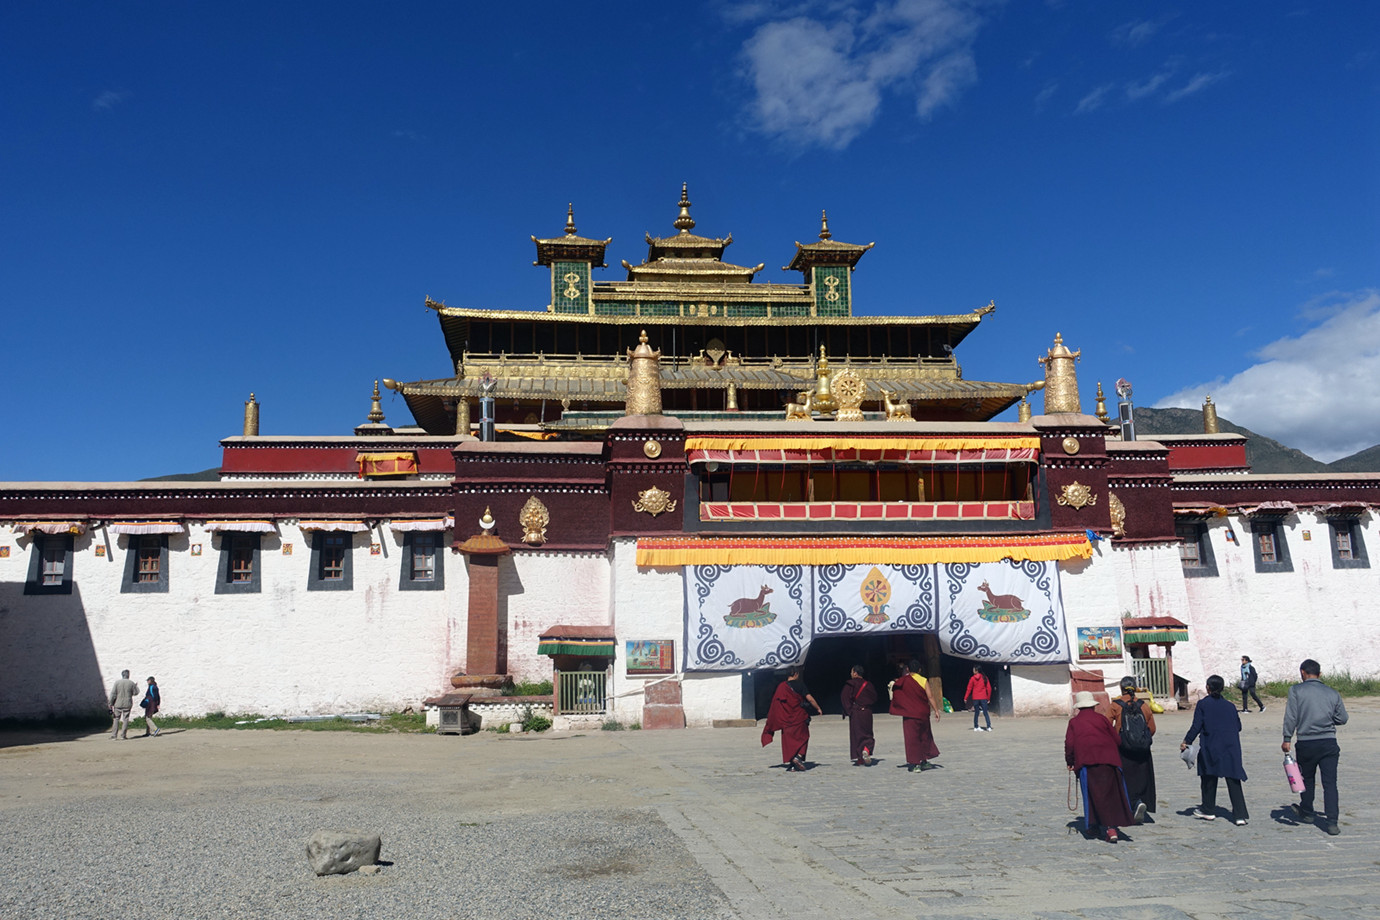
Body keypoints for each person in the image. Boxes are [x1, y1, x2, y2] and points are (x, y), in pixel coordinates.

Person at [1281, 658, 1348, 836]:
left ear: (1303, 672)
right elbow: (1343, 718)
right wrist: (1327, 719)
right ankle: (1332, 822)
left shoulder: (1296, 690)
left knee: (1307, 779)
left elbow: (1291, 716)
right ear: (1320, 674)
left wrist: (1287, 738)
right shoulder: (1332, 692)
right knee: (1330, 784)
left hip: (1306, 742)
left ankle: (1308, 812)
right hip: (1328, 742)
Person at [1065, 690, 1135, 843]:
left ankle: (1094, 826)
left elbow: (1069, 744)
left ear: (1079, 707)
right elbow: (1117, 740)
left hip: (1087, 763)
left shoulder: (1074, 723)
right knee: (1111, 795)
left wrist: (1070, 762)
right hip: (1110, 762)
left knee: (1092, 795)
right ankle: (1111, 827)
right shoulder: (1102, 719)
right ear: (1093, 706)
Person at [1180, 674, 1249, 826]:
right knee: (1233, 779)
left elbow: (1196, 726)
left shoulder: (1203, 704)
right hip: (1231, 747)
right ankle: (1240, 815)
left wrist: (1187, 741)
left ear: (1208, 688)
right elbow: (1238, 727)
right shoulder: (1230, 706)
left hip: (1211, 745)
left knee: (1208, 777)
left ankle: (1209, 810)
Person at [1108, 676, 1155, 823]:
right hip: (1142, 749)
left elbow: (1107, 728)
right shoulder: (1144, 705)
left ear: (1121, 689)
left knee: (1125, 777)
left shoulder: (1115, 705)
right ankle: (1140, 800)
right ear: (1135, 688)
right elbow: (1152, 728)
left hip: (1123, 748)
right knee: (1142, 777)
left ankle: (1131, 804)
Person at [761, 666, 823, 772]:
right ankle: (798, 757)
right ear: (795, 674)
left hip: (786, 719)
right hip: (799, 717)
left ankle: (793, 765)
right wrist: (818, 708)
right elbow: (810, 698)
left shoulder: (781, 687)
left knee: (789, 741)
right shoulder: (800, 685)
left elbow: (775, 705)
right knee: (804, 737)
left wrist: (773, 718)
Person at [889, 659, 939, 772]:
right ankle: (924, 761)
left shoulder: (903, 681)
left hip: (909, 714)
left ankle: (916, 764)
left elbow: (896, 690)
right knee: (924, 736)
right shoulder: (923, 680)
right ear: (920, 670)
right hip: (922, 713)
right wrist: (936, 710)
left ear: (907, 669)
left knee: (912, 738)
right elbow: (930, 697)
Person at [840, 665, 877, 766]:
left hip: (856, 712)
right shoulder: (868, 684)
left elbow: (844, 698)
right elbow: (874, 698)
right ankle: (866, 749)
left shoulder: (850, 684)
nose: (851, 674)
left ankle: (860, 756)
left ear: (855, 673)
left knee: (857, 735)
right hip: (867, 712)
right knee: (868, 733)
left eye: (852, 672)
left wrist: (849, 711)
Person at [108, 669, 138, 740]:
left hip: (118, 703)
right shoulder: (131, 683)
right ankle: (123, 735)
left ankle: (114, 735)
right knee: (126, 719)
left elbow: (113, 694)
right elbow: (135, 693)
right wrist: (135, 686)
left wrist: (110, 703)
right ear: (128, 675)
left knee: (116, 719)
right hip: (128, 703)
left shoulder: (117, 683)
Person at [965, 665, 992, 732]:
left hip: (975, 698)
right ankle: (988, 726)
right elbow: (989, 689)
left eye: (974, 669)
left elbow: (969, 689)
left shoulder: (972, 678)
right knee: (985, 712)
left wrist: (966, 697)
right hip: (983, 697)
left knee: (976, 712)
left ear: (976, 670)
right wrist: (988, 698)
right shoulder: (985, 678)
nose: (973, 671)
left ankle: (976, 726)